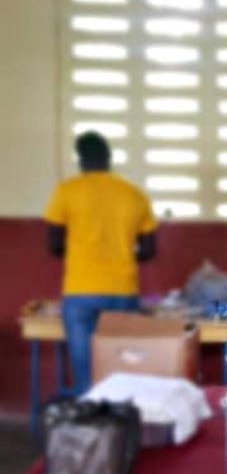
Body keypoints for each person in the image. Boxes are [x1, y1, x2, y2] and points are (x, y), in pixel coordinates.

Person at [44, 132, 158, 394]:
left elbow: (53, 244)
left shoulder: (67, 191)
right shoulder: (133, 194)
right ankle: (121, 421)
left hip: (80, 290)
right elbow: (149, 249)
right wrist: (123, 255)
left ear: (80, 159)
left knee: (85, 367)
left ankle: (91, 423)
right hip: (122, 290)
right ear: (108, 158)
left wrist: (80, 255)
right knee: (121, 363)